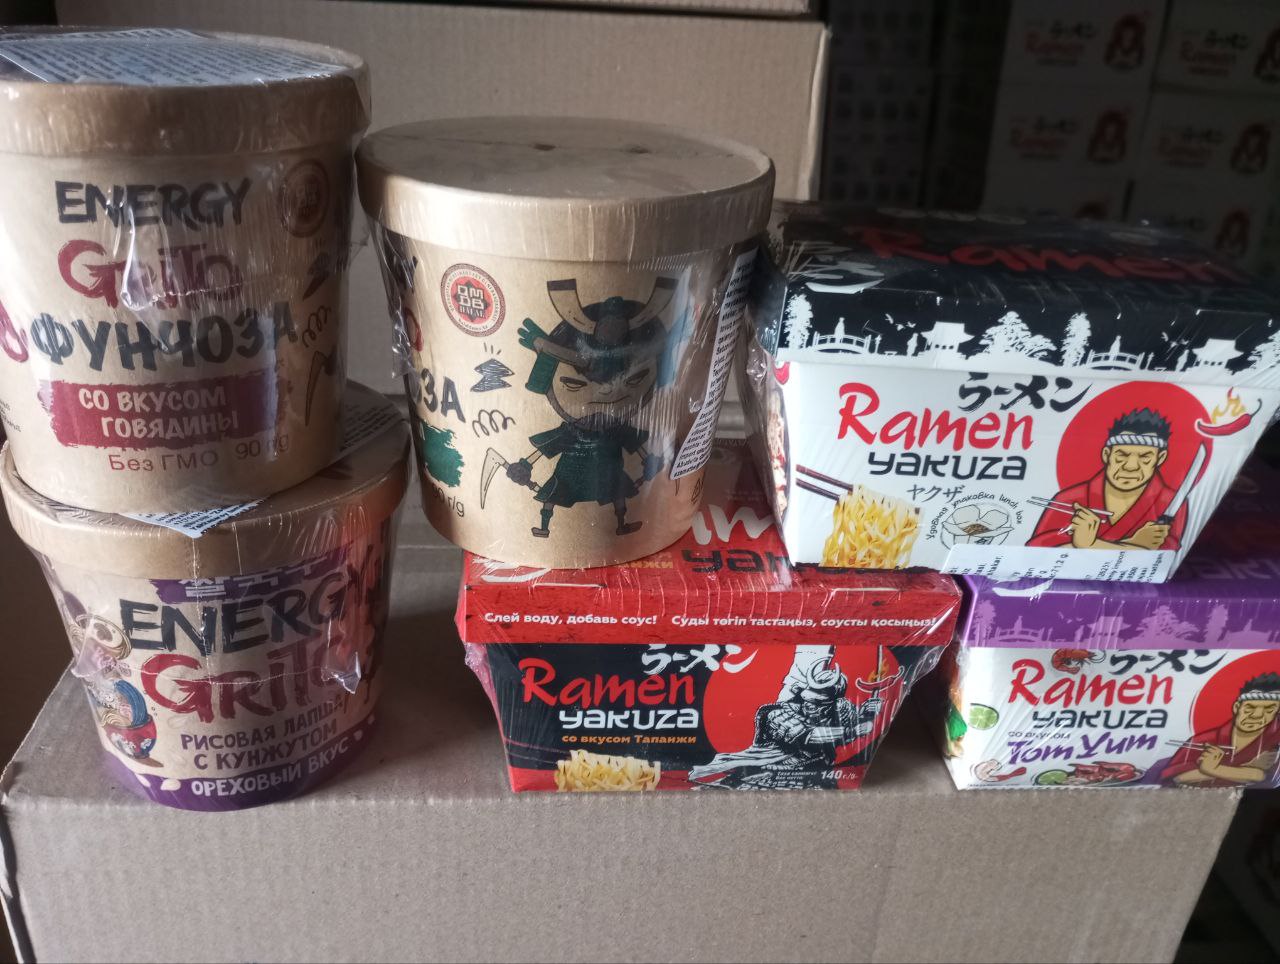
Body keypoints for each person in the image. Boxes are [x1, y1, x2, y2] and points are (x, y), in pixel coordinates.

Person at [505, 279, 672, 538]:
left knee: (617, 490)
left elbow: (637, 446)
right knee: (554, 493)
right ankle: (544, 527)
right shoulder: (574, 430)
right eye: (574, 384)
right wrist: (524, 466)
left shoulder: (614, 428)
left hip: (608, 468)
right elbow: (547, 447)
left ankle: (621, 524)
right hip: (572, 468)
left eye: (633, 381)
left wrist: (650, 460)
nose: (605, 393)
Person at [688, 657, 879, 790]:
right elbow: (808, 736)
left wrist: (868, 714)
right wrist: (852, 730)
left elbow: (857, 732)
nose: (810, 705)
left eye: (818, 702)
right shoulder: (777, 713)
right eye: (807, 699)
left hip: (816, 776)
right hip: (765, 774)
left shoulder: (840, 707)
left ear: (832, 702)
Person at [1028, 408, 1187, 550]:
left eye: (1145, 457)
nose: (1131, 466)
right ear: (1106, 455)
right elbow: (1035, 550)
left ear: (1160, 458)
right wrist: (1132, 545)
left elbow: (1169, 553)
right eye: (1121, 455)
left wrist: (1089, 545)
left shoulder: (1172, 503)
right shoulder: (1069, 499)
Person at [1162, 673, 1280, 787]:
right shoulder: (1203, 740)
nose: (1257, 715)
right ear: (1237, 707)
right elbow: (1178, 777)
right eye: (1250, 708)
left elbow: (1262, 776)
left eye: (1269, 709)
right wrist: (1243, 769)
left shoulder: (1275, 738)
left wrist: (1212, 768)